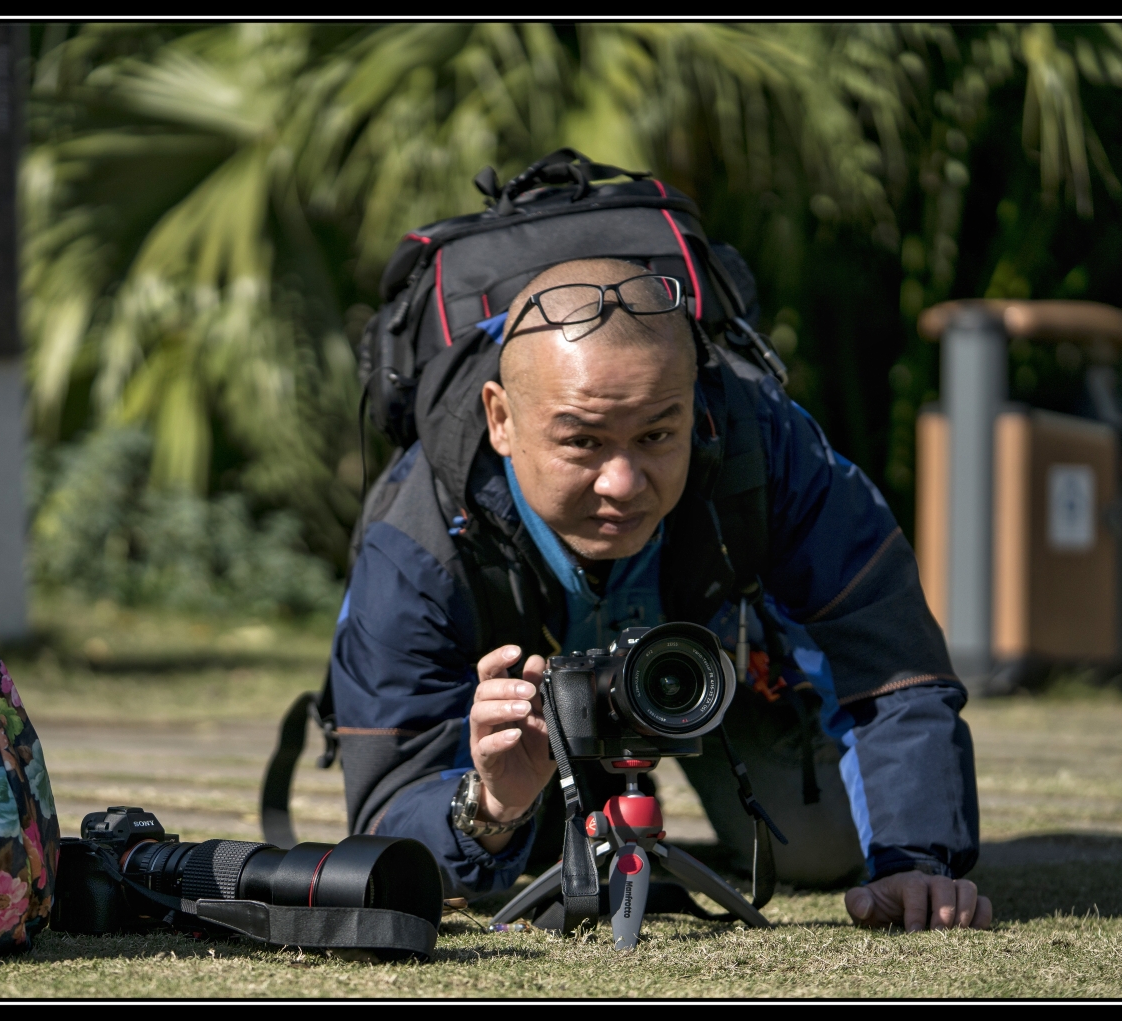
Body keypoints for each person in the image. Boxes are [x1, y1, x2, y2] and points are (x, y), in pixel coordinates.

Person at [330, 257, 992, 932]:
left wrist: (917, 856)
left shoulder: (769, 449)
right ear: (500, 418)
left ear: (697, 403)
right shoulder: (414, 541)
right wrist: (489, 806)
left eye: (655, 434)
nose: (622, 481)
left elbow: (890, 659)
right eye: (581, 440)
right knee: (488, 843)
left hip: (719, 674)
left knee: (825, 848)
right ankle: (547, 799)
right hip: (518, 732)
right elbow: (386, 806)